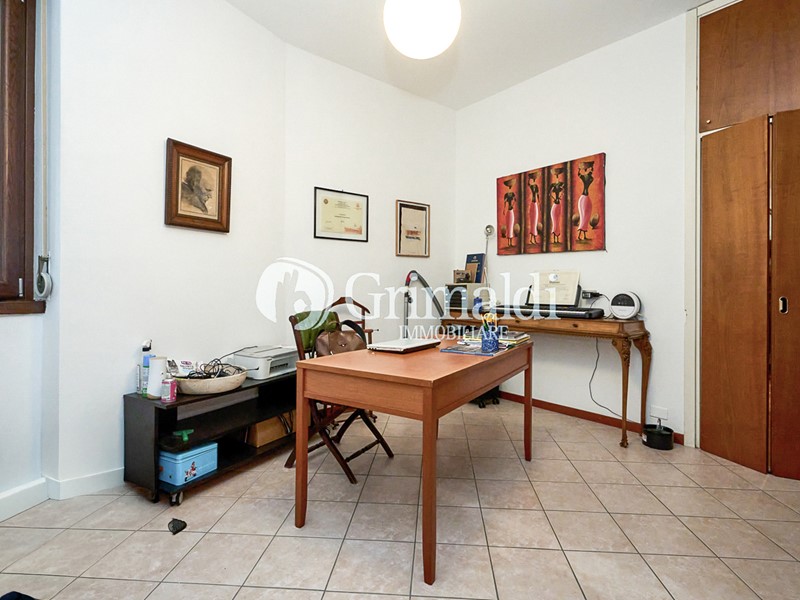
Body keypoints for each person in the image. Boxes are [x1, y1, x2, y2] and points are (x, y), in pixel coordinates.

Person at [502, 178, 516, 248]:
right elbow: (504, 203)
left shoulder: (513, 194)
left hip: (511, 211)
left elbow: (515, 200)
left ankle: (510, 242)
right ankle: (508, 242)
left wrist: (512, 205)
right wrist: (504, 210)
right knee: (508, 226)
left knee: (511, 226)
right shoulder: (506, 195)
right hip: (508, 211)